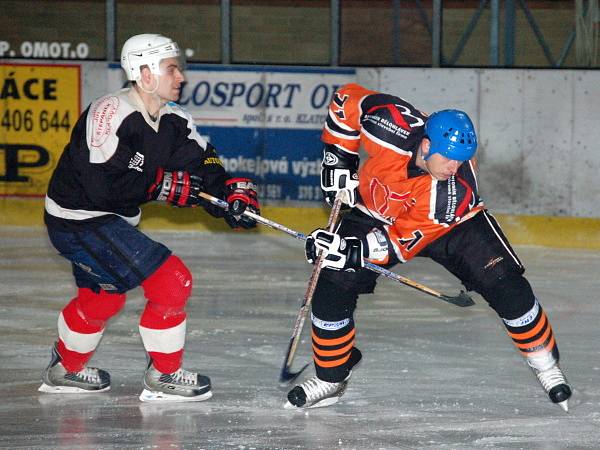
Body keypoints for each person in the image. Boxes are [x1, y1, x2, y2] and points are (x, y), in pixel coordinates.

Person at [284, 83, 572, 412]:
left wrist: (353, 249)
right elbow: (345, 99)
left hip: (455, 225)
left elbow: (399, 243)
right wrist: (339, 156)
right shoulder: (388, 124)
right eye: (448, 158)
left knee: (507, 286)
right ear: (425, 144)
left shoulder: (453, 192)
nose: (455, 167)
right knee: (332, 281)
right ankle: (331, 378)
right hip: (376, 210)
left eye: (462, 159)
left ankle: (546, 365)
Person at [39, 34, 260, 402]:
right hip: (79, 221)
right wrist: (162, 186)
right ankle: (164, 375)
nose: (181, 77)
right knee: (173, 283)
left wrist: (230, 193)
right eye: (171, 68)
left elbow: (204, 164)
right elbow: (100, 184)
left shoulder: (173, 120)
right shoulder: (110, 111)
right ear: (144, 72)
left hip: (105, 222)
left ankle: (64, 370)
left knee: (102, 300)